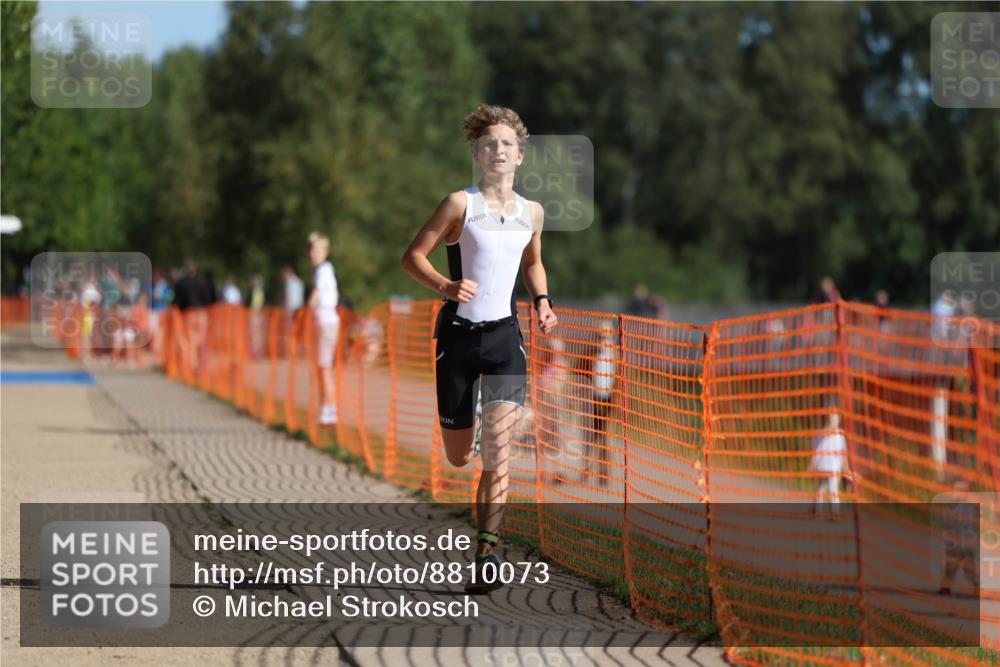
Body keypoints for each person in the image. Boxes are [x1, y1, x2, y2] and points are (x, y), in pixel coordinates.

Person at [401, 103, 558, 594]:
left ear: (520, 156)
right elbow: (411, 258)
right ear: (477, 153)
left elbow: (533, 263)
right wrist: (445, 286)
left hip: (505, 339)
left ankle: (486, 553)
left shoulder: (532, 212)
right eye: (489, 144)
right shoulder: (458, 205)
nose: (498, 151)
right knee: (458, 458)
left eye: (507, 144)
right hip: (458, 339)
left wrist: (544, 303)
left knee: (499, 450)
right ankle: (463, 430)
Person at [308, 232, 340, 426]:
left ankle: (329, 410)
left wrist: (305, 311)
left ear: (325, 252)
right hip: (323, 323)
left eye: (316, 250)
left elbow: (315, 294)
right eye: (311, 250)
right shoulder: (323, 269)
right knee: (322, 367)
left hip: (326, 322)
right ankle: (327, 408)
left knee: (324, 366)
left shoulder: (323, 270)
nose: (312, 254)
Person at [587, 321, 619, 487]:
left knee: (606, 437)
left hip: (608, 401)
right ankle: (587, 473)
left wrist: (616, 402)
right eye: (599, 336)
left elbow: (620, 381)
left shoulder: (615, 355)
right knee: (590, 436)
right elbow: (580, 371)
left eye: (605, 336)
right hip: (592, 399)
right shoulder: (591, 352)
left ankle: (605, 474)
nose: (602, 339)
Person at [809, 412, 854, 517]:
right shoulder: (835, 435)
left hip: (826, 466)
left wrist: (813, 463)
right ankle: (832, 511)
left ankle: (820, 510)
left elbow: (818, 450)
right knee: (830, 489)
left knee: (823, 488)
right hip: (830, 467)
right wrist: (846, 469)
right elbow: (842, 454)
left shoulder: (828, 434)